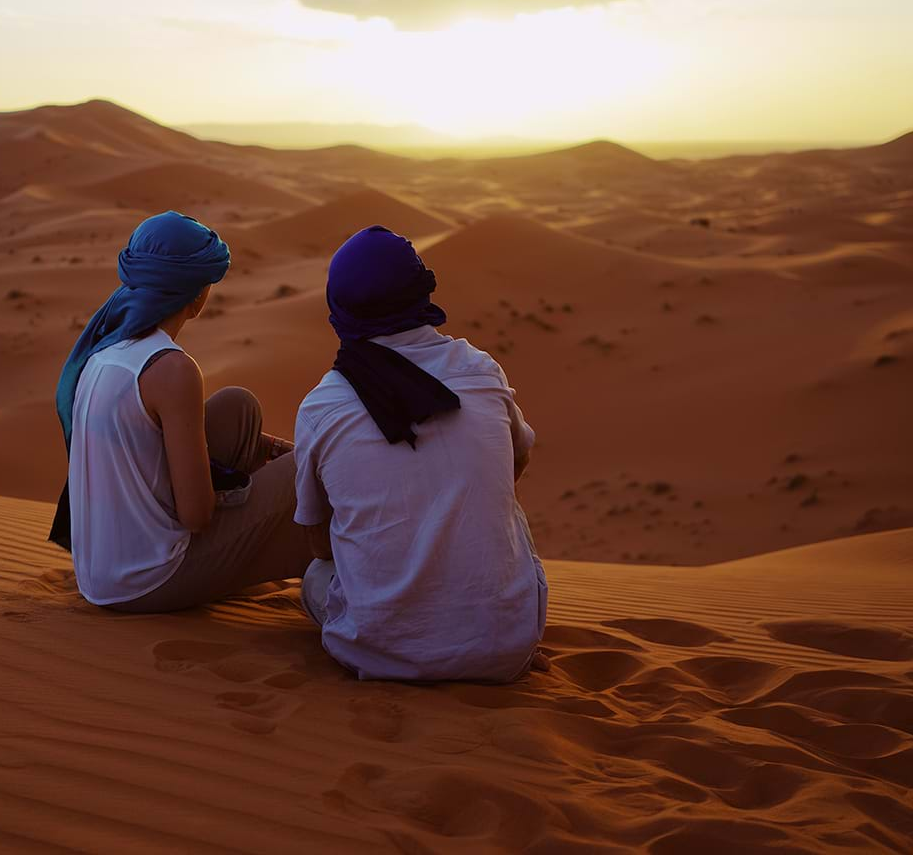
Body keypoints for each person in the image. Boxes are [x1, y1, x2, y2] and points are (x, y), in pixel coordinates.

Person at [293, 225, 547, 681]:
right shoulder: (480, 370)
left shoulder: (323, 404)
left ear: (339, 305)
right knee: (508, 504)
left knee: (315, 577)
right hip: (506, 652)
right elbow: (518, 462)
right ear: (421, 290)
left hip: (375, 653)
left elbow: (318, 544)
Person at [50, 211, 312, 612]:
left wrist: (267, 453)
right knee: (308, 470)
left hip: (100, 572)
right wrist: (253, 491)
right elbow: (196, 515)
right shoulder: (171, 369)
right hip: (148, 579)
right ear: (196, 294)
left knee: (237, 408)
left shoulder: (106, 348)